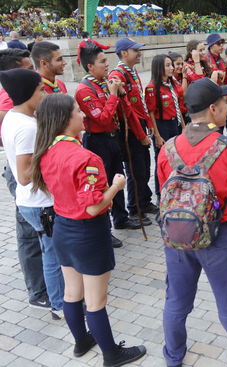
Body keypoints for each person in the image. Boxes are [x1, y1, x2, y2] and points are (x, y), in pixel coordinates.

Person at [157, 78, 227, 367]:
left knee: (176, 302)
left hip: (177, 238)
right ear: (212, 109)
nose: (226, 107)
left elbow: (164, 195)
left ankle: (173, 356)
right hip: (218, 238)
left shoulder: (168, 148)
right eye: (223, 103)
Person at [30, 93, 146, 366]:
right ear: (65, 119)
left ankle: (81, 341)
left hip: (63, 228)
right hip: (88, 232)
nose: (83, 115)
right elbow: (94, 207)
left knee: (72, 292)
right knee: (96, 299)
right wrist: (117, 185)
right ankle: (111, 354)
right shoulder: (86, 158)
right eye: (78, 111)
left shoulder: (46, 150)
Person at [0, 69, 65, 320]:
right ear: (28, 94)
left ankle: (60, 298)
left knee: (49, 251)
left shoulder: (16, 118)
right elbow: (26, 175)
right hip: (41, 203)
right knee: (53, 255)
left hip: (34, 202)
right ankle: (59, 304)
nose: (44, 93)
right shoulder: (26, 127)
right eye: (40, 89)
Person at [76, 45, 150, 247]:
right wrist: (114, 95)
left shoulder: (104, 84)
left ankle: (121, 217)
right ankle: (104, 230)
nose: (107, 64)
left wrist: (121, 94)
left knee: (118, 178)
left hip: (113, 138)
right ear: (90, 66)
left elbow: (124, 111)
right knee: (102, 184)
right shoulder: (85, 90)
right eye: (102, 62)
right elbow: (103, 118)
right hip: (97, 141)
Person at [0, 49, 48, 310]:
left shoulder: (21, 114)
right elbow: (25, 174)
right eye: (29, 68)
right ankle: (39, 291)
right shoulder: (17, 114)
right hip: (28, 187)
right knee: (31, 237)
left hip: (26, 180)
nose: (35, 73)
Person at [109, 38, 158, 219]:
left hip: (140, 125)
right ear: (124, 53)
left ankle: (144, 201)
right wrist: (140, 134)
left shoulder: (132, 72)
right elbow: (127, 110)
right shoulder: (118, 75)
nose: (139, 53)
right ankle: (135, 207)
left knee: (144, 167)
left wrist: (149, 124)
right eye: (135, 50)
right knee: (135, 170)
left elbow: (141, 103)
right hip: (131, 130)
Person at [145, 54, 186, 196]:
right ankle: (160, 193)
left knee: (177, 157)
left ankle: (176, 188)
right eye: (168, 65)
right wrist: (156, 135)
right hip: (161, 126)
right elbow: (151, 113)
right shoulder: (152, 88)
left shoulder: (172, 84)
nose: (172, 68)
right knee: (162, 160)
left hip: (175, 123)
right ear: (158, 68)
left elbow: (177, 105)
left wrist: (183, 125)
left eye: (171, 65)